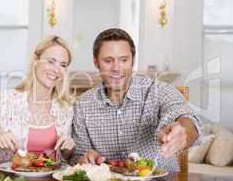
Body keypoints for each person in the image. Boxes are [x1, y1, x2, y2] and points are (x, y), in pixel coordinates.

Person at [71, 28, 203, 171]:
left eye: (124, 60)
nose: (116, 68)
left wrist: (182, 131)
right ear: (96, 62)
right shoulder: (82, 104)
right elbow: (77, 156)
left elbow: (185, 116)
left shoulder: (158, 90)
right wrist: (86, 158)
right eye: (108, 60)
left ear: (133, 61)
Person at [0, 35, 75, 162]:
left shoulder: (66, 108)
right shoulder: (3, 101)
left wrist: (68, 148)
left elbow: (66, 159)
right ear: (36, 60)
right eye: (51, 61)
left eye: (63, 65)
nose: (57, 69)